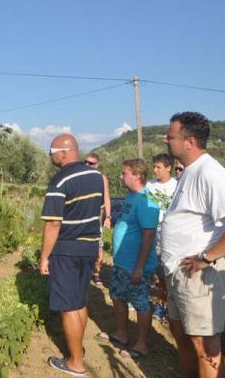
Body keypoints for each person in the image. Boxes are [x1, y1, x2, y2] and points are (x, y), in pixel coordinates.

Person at [161, 112, 225, 378]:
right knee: (183, 335)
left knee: (205, 346)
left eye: (171, 136)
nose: (166, 140)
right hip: (182, 272)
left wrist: (206, 257)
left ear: (189, 141)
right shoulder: (190, 172)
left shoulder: (210, 172)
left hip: (200, 274)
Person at [39, 134, 104, 377]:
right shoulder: (96, 177)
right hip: (88, 247)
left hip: (67, 250)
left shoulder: (60, 180)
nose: (50, 155)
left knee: (68, 307)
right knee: (79, 301)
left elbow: (53, 224)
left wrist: (44, 256)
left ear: (63, 153)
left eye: (51, 151)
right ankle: (78, 349)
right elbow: (97, 213)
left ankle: (75, 362)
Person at [96, 159, 159, 359]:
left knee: (140, 303)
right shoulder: (130, 197)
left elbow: (148, 236)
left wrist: (139, 267)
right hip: (122, 263)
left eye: (124, 173)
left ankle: (141, 344)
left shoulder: (147, 200)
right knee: (117, 296)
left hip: (135, 267)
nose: (121, 176)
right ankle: (121, 333)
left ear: (137, 176)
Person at [146, 153, 178, 322]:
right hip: (149, 232)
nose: (154, 170)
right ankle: (138, 299)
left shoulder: (177, 186)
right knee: (146, 269)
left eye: (158, 167)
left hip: (167, 235)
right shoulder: (149, 186)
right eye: (154, 166)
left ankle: (163, 305)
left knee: (164, 274)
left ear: (168, 168)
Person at [83, 152, 111, 286]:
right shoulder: (80, 177)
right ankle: (85, 272)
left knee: (98, 247)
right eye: (86, 162)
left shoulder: (102, 178)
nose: (88, 165)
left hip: (97, 220)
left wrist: (108, 217)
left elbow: (106, 198)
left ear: (97, 164)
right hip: (83, 220)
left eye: (91, 163)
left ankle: (97, 273)